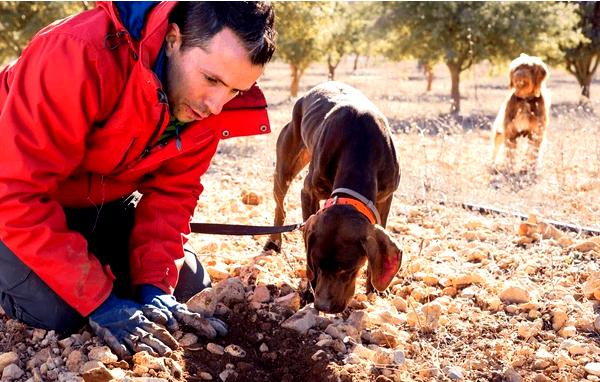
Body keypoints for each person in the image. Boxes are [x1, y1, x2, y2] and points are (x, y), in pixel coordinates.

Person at [0, 1, 276, 359]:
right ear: (173, 39)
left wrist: (155, 285)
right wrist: (97, 298)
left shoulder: (205, 105)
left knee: (185, 286)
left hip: (94, 200)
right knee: (62, 312)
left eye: (235, 91)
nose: (216, 106)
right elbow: (15, 192)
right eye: (211, 80)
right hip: (12, 198)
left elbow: (172, 194)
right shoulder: (78, 52)